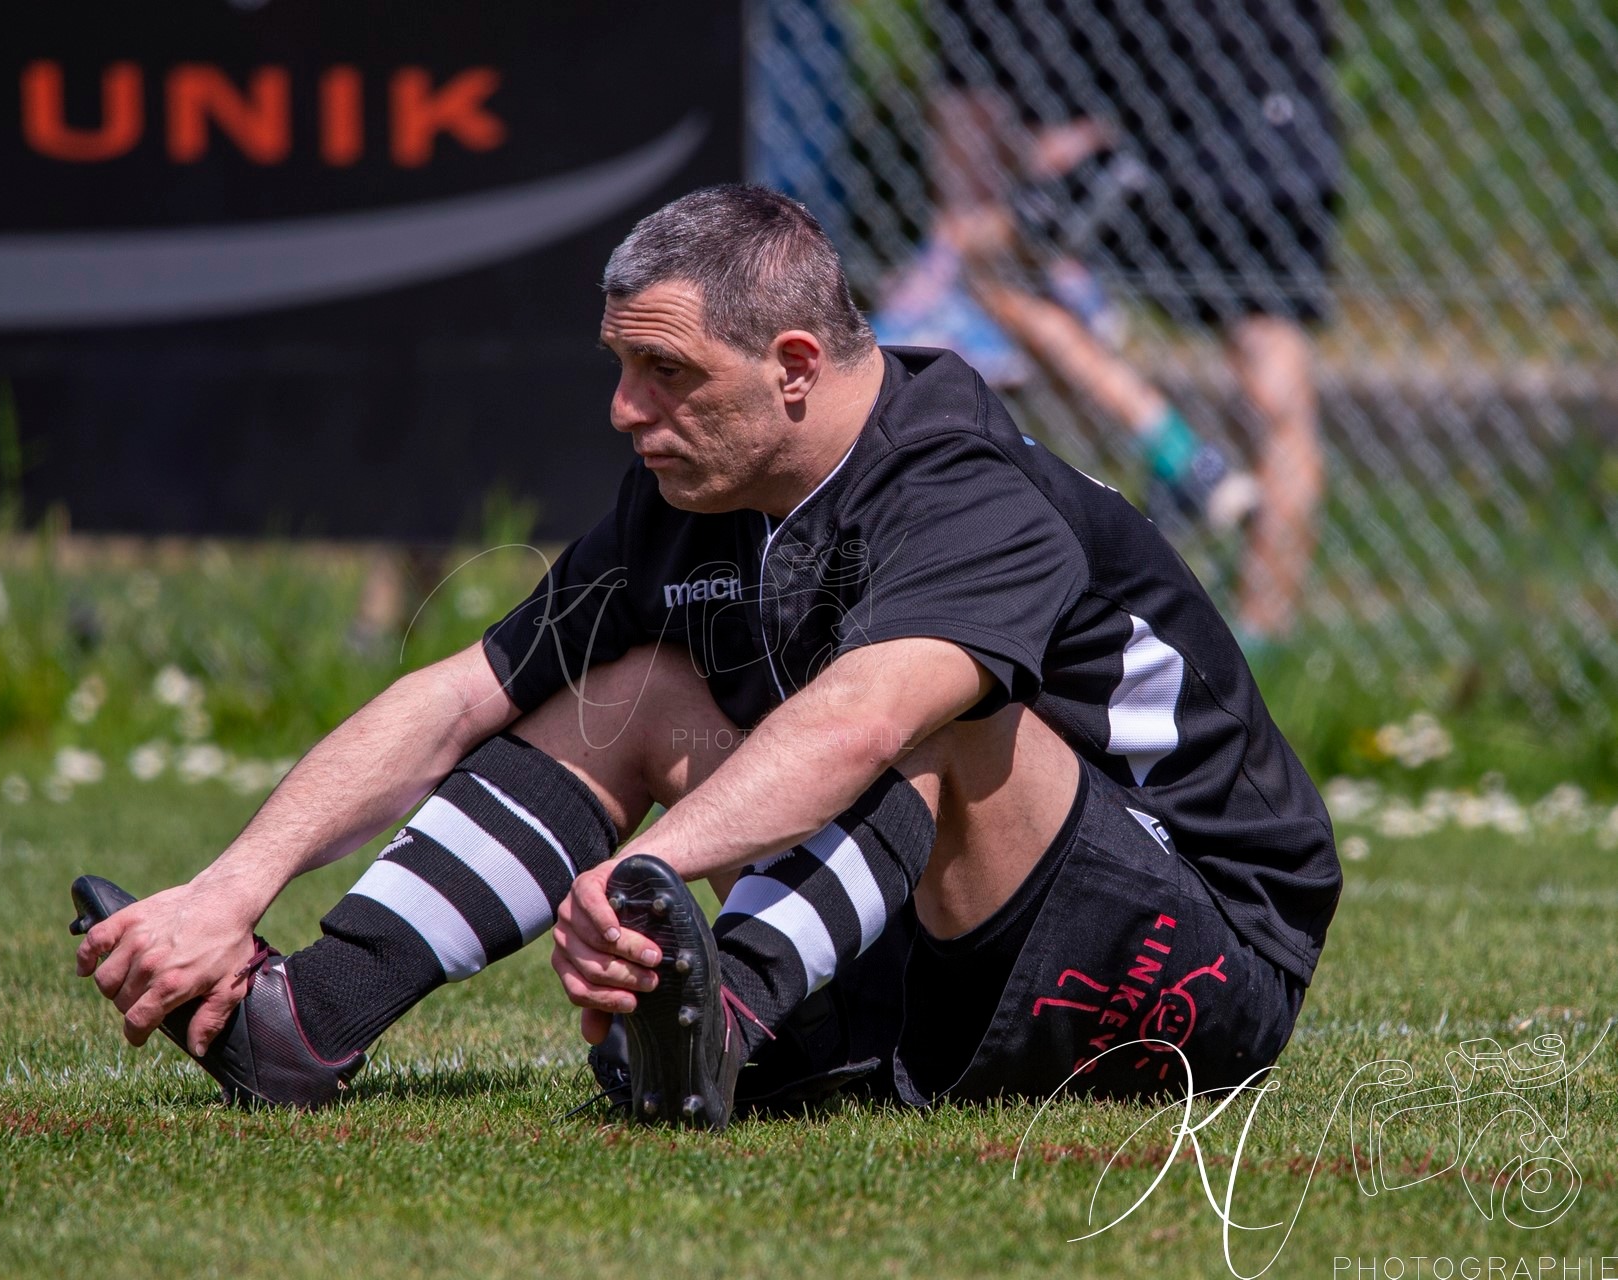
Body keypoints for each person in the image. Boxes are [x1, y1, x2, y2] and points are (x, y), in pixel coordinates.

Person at [70, 185, 1340, 1129]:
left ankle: (719, 1012)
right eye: (619, 366)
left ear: (794, 367)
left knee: (927, 708)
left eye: (663, 371)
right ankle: (311, 1021)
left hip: (1194, 953)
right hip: (951, 933)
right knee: (625, 690)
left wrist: (643, 879)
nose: (625, 409)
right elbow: (462, 695)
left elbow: (857, 728)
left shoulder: (959, 482)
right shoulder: (684, 495)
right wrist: (225, 888)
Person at [886, 0, 1338, 641]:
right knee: (1279, 397)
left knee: (985, 262)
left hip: (1176, 159)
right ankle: (1261, 658)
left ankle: (1175, 452)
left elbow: (1067, 101)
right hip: (1296, 153)